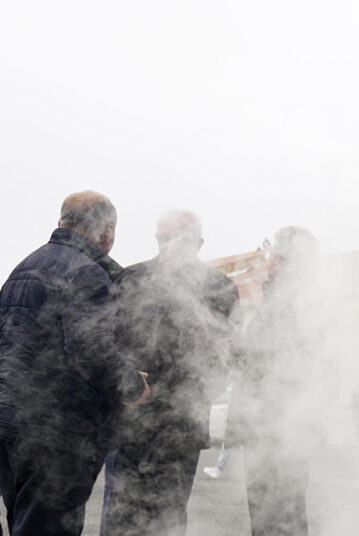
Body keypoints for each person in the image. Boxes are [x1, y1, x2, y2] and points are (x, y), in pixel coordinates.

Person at [0, 191, 150, 536]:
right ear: (107, 230)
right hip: (54, 436)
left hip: (10, 428)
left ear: (61, 223)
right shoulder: (87, 273)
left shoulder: (22, 268)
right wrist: (134, 384)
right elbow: (91, 350)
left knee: (23, 524)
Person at [100, 210, 239, 536]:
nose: (173, 245)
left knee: (167, 520)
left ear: (200, 243)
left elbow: (225, 358)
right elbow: (108, 344)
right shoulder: (130, 279)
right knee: (120, 520)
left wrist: (189, 397)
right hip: (129, 426)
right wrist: (124, 390)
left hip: (181, 429)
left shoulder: (219, 288)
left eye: (183, 238)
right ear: (156, 240)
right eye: (165, 237)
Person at [232, 226, 322, 536]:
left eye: (273, 256)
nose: (269, 262)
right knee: (283, 513)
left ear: (282, 262)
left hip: (275, 429)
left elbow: (263, 364)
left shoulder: (290, 306)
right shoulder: (304, 304)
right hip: (283, 428)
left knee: (276, 516)